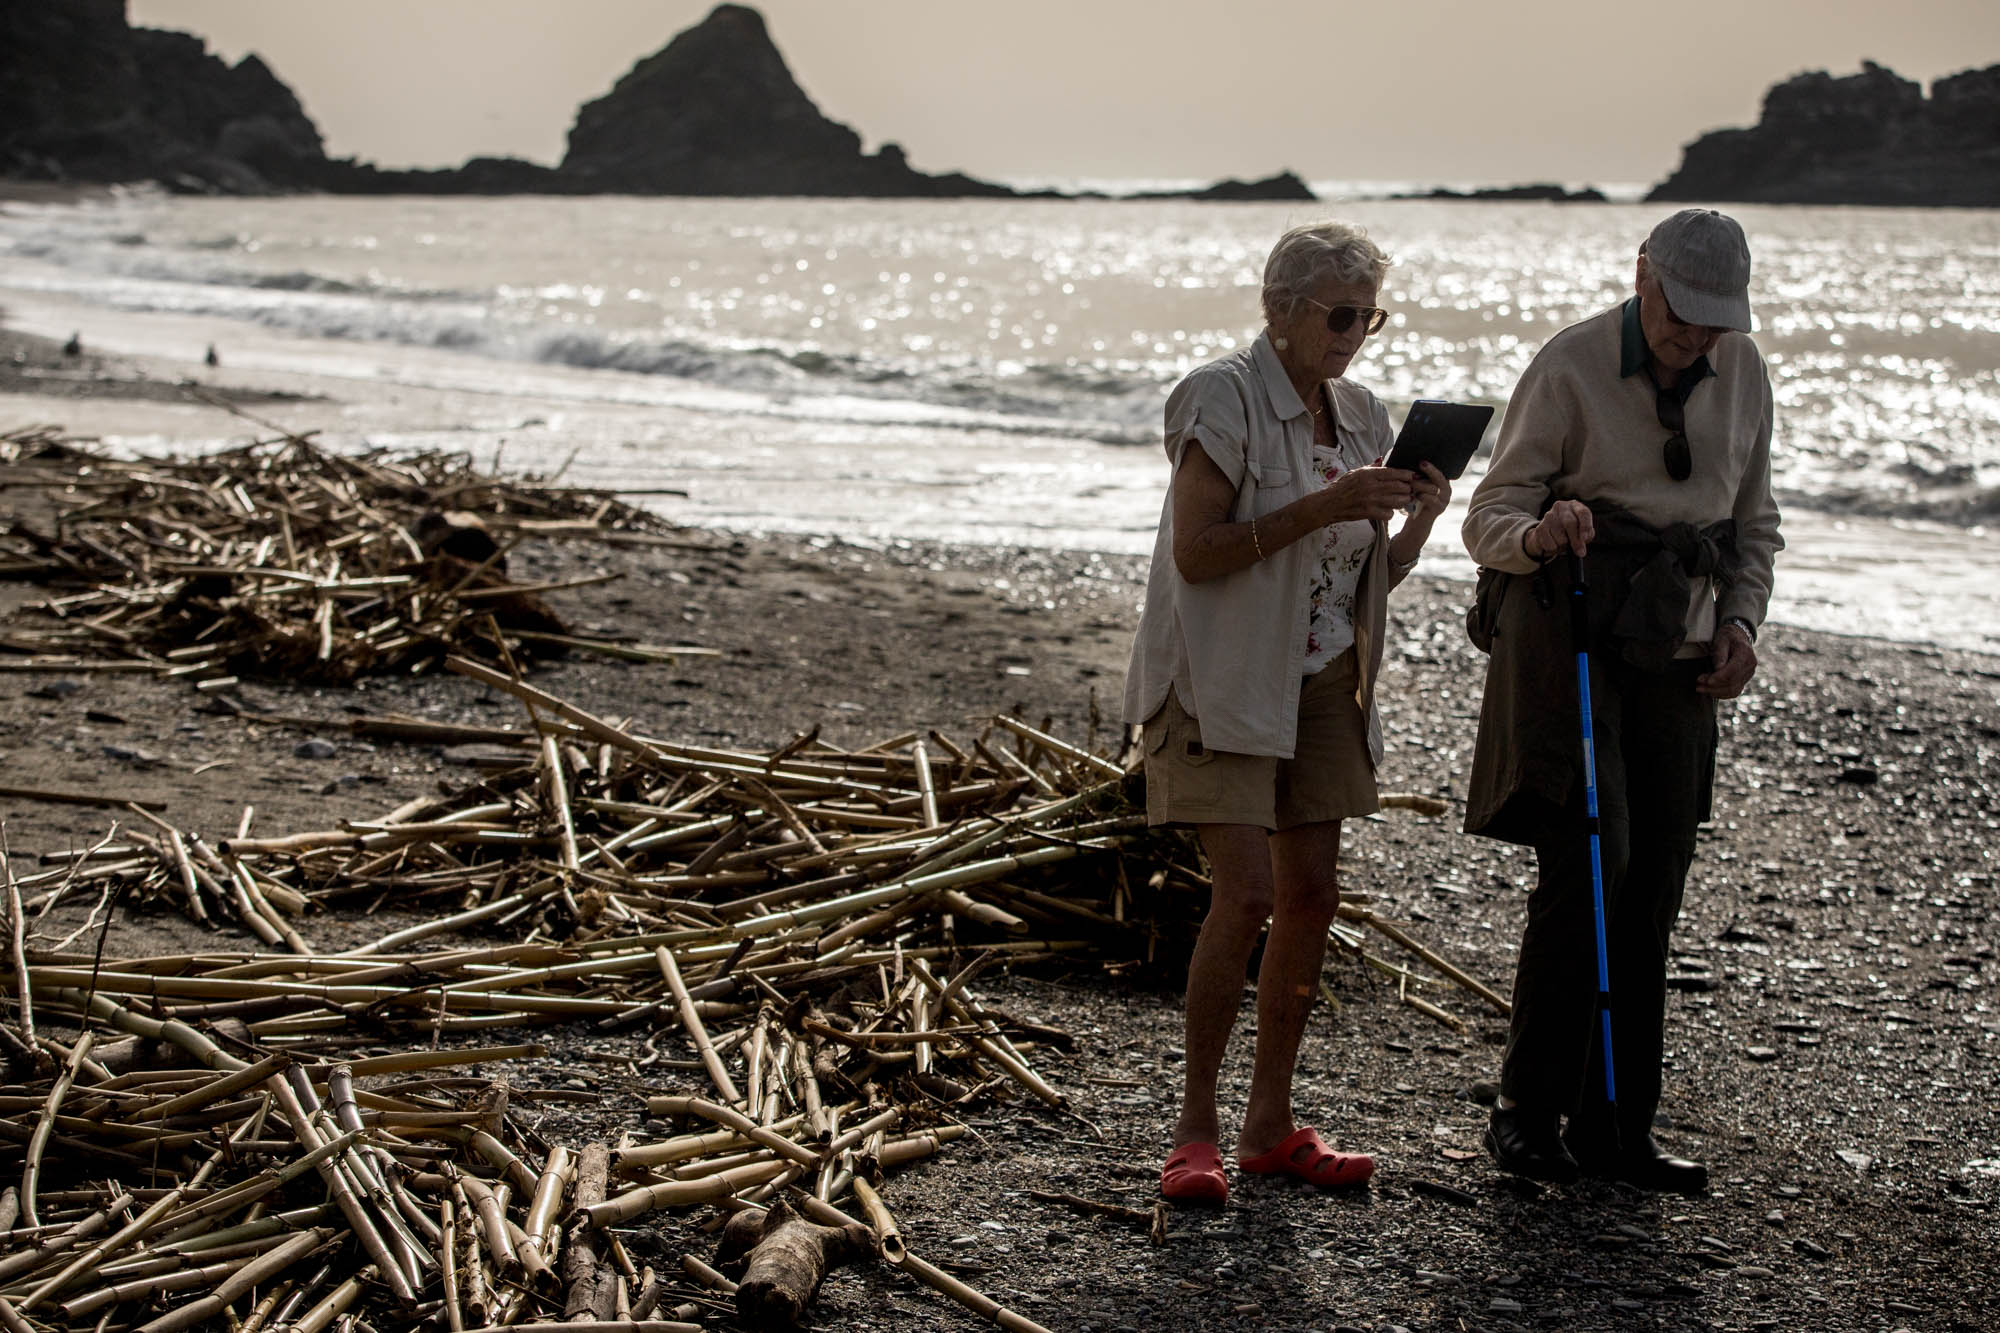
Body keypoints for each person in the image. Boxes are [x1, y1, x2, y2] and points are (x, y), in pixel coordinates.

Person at [1123, 221, 1451, 1204]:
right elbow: (1198, 552)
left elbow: (1368, 579)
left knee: (1310, 898)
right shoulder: (1218, 394)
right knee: (1249, 891)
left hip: (1322, 681)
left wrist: (1419, 516)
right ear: (1277, 309)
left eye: (1368, 316)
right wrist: (1322, 505)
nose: (1354, 333)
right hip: (1219, 675)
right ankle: (1194, 1128)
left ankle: (1269, 1121)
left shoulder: (1357, 415)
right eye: (1337, 314)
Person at [1461, 208, 1783, 1194]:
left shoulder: (1745, 373)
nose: (1697, 340)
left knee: (1654, 879)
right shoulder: (1566, 365)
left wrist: (1740, 626)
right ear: (1640, 275)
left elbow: (1752, 526)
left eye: (1713, 325)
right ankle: (1525, 1112)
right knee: (1588, 862)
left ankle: (1615, 1123)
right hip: (1570, 638)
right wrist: (1542, 530)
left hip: (1678, 647)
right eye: (1683, 319)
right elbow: (1486, 519)